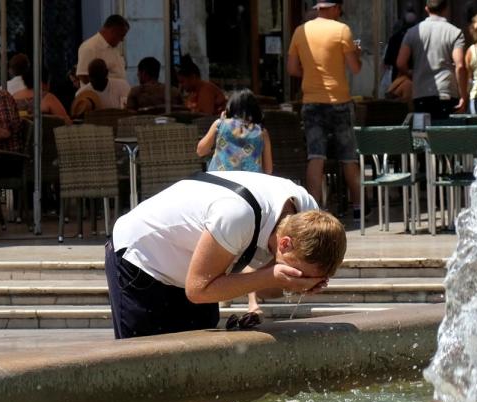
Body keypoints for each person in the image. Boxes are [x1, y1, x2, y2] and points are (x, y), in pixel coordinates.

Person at [106, 171, 346, 339]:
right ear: (284, 244)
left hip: (201, 270)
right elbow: (198, 290)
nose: (299, 277)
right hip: (142, 259)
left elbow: (265, 287)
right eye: (300, 273)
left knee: (199, 367)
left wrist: (291, 283)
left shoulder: (308, 216)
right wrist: (272, 275)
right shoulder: (236, 216)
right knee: (148, 368)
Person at [287, 0, 363, 219]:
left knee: (316, 156)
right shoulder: (342, 30)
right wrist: (355, 52)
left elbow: (292, 68)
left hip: (311, 101)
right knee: (348, 157)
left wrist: (310, 74)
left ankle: (313, 211)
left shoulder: (300, 31)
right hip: (339, 100)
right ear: (335, 8)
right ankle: (358, 208)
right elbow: (355, 68)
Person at [396, 0, 468, 120]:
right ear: (446, 9)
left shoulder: (412, 32)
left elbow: (400, 63)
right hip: (446, 92)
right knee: (445, 135)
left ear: (427, 9)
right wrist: (463, 96)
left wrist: (411, 73)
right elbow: (460, 66)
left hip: (421, 94)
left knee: (423, 136)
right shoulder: (455, 32)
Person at [197, 89, 273, 174]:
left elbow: (201, 151)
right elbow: (268, 170)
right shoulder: (262, 132)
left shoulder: (220, 124)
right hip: (249, 184)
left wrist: (220, 123)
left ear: (231, 106)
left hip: (219, 181)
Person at [76, 14, 130, 85]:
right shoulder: (90, 47)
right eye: (121, 35)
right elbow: (83, 76)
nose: (122, 40)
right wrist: (103, 90)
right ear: (112, 31)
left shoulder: (114, 48)